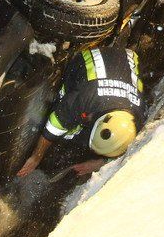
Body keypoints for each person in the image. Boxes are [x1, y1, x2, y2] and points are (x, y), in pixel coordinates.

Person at [17, 43, 145, 177]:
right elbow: (54, 126)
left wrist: (100, 162)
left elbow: (124, 146)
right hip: (88, 61)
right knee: (68, 129)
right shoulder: (84, 99)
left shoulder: (136, 118)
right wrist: (36, 157)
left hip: (122, 60)